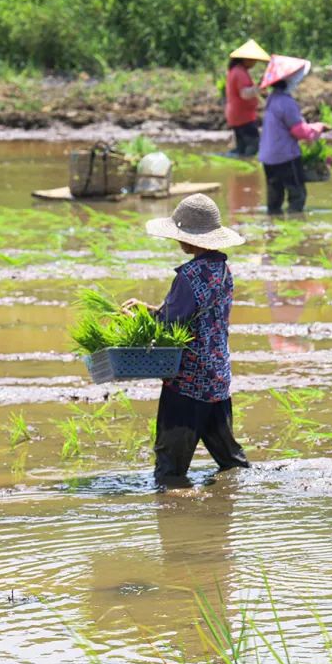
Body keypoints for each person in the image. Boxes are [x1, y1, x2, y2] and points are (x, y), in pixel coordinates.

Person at [123, 193, 251, 489]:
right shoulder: (222, 270)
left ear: (193, 240)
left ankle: (178, 514)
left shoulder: (189, 275)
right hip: (217, 378)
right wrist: (149, 309)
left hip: (188, 382)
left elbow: (172, 324)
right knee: (231, 462)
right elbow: (197, 315)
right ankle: (235, 503)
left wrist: (138, 321)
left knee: (169, 470)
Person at [257, 55, 326, 215]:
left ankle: (273, 226)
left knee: (274, 196)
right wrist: (318, 128)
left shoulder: (272, 99)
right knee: (297, 193)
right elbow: (299, 131)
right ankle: (296, 221)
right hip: (286, 157)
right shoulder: (287, 102)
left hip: (268, 157)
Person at [224, 39, 270, 158]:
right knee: (253, 144)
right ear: (246, 59)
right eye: (253, 60)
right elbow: (244, 94)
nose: (254, 63)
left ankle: (239, 169)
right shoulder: (239, 73)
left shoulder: (235, 71)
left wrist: (258, 89)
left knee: (241, 147)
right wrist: (259, 87)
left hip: (236, 115)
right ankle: (246, 164)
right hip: (242, 117)